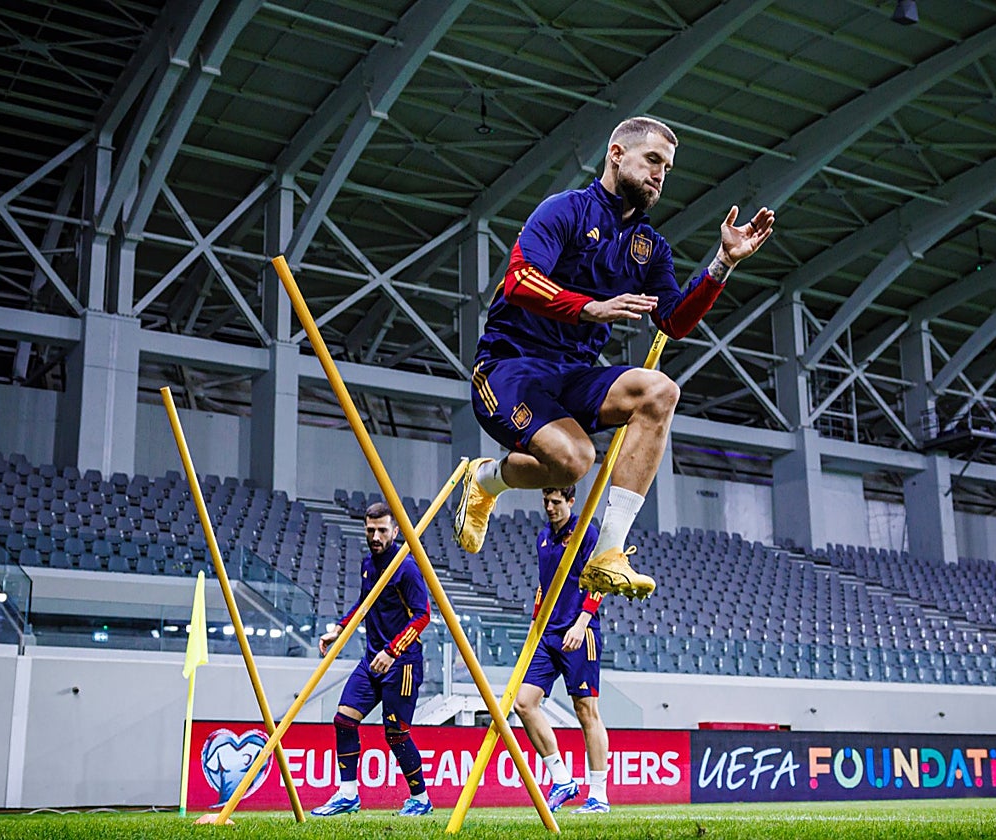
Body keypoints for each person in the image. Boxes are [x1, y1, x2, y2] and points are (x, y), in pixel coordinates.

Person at [455, 116, 775, 598]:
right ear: (617, 154)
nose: (660, 175)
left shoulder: (650, 249)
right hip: (510, 369)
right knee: (575, 460)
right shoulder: (562, 210)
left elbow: (674, 321)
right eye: (652, 161)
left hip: (574, 376)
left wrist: (722, 264)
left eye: (666, 168)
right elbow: (519, 280)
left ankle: (608, 552)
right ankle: (484, 481)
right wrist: (590, 308)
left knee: (660, 391)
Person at [312, 501, 434, 818]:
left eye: (382, 530)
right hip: (371, 660)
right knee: (344, 720)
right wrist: (339, 629)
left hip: (402, 662)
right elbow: (365, 603)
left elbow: (423, 616)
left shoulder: (406, 567)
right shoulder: (368, 564)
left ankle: (420, 799)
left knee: (395, 733)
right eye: (371, 530)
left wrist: (393, 650)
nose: (376, 536)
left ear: (395, 530)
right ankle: (348, 794)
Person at [513, 486, 610, 814]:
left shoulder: (586, 532)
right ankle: (562, 778)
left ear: (570, 501)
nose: (550, 507)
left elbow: (599, 579)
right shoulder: (543, 537)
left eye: (556, 502)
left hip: (580, 631)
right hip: (546, 632)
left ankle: (598, 795)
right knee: (523, 704)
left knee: (586, 711)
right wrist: (533, 624)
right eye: (546, 501)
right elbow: (544, 584)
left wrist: (582, 622)